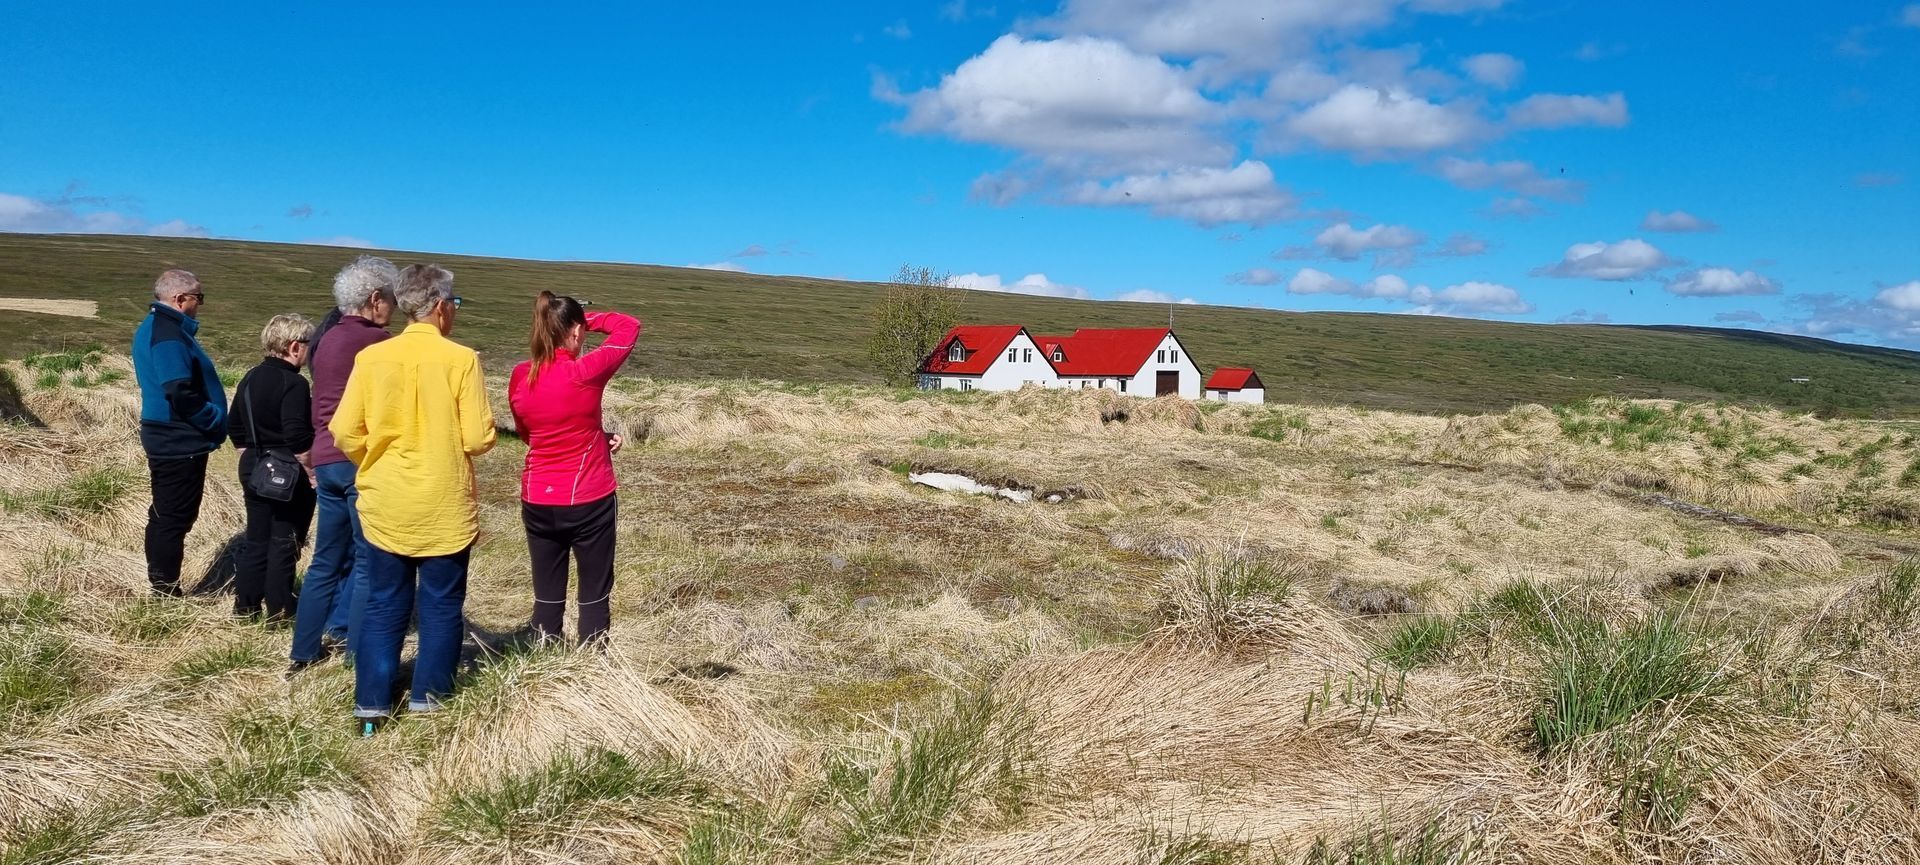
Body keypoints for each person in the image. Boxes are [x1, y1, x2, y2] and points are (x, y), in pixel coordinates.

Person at [331, 264, 494, 734]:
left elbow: (344, 430)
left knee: (384, 603)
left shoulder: (373, 358)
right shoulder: (461, 360)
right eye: (455, 304)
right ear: (441, 307)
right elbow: (480, 438)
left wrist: (374, 459)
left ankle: (371, 708)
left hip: (385, 500)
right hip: (444, 501)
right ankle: (430, 702)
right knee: (442, 605)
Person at [507, 292, 642, 645]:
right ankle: (591, 672)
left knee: (547, 595)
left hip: (537, 498)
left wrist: (594, 435)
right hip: (588, 496)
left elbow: (530, 434)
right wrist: (589, 319)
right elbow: (628, 327)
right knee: (594, 593)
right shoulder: (585, 370)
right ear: (576, 332)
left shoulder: (521, 375)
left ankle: (541, 670)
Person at [288, 256, 399, 675]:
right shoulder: (376, 342)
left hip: (326, 457)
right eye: (390, 299)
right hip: (358, 459)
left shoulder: (326, 339)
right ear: (374, 299)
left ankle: (304, 650)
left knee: (324, 560)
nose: (393, 308)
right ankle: (356, 655)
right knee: (369, 560)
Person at [131, 270, 227, 597]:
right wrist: (212, 418)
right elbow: (178, 390)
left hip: (169, 433)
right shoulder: (168, 332)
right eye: (198, 297)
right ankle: (166, 593)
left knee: (166, 514)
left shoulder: (159, 327)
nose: (200, 304)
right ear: (179, 299)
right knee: (173, 518)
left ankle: (163, 588)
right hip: (177, 437)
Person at [227, 314, 318, 621]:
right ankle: (280, 609)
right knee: (284, 540)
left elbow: (234, 425)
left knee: (256, 539)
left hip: (253, 465)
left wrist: (252, 453)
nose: (312, 350)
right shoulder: (294, 383)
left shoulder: (250, 376)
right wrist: (310, 469)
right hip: (287, 473)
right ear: (294, 347)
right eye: (310, 343)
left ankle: (246, 607)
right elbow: (297, 434)